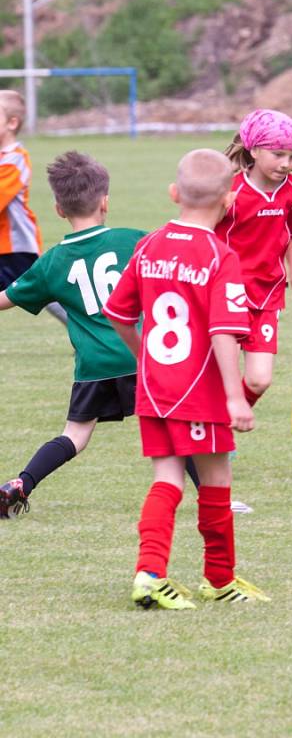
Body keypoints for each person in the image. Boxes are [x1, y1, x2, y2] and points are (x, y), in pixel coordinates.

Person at [103, 148, 270, 610]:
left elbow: (118, 314)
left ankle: (149, 572)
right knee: (216, 481)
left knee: (168, 480)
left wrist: (145, 360)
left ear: (174, 193)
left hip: (154, 389)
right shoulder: (221, 255)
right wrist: (236, 398)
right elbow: (222, 330)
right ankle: (218, 578)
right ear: (230, 199)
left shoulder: (149, 245)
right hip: (199, 392)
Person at [0, 150, 145, 518]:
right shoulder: (134, 241)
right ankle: (217, 499)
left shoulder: (51, 262)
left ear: (59, 209)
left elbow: (6, 299)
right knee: (175, 427)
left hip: (94, 366)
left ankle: (20, 484)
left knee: (75, 435)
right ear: (105, 201)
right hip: (140, 355)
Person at [217, 108, 292, 411]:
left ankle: (223, 421)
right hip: (227, 295)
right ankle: (212, 437)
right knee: (220, 376)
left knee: (259, 380)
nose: (286, 164)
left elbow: (291, 232)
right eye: (279, 154)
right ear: (254, 150)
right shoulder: (230, 190)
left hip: (268, 294)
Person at [0, 89, 66, 324]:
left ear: (12, 123)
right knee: (43, 295)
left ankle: (94, 328)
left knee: (46, 295)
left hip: (15, 248)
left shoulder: (14, 160)